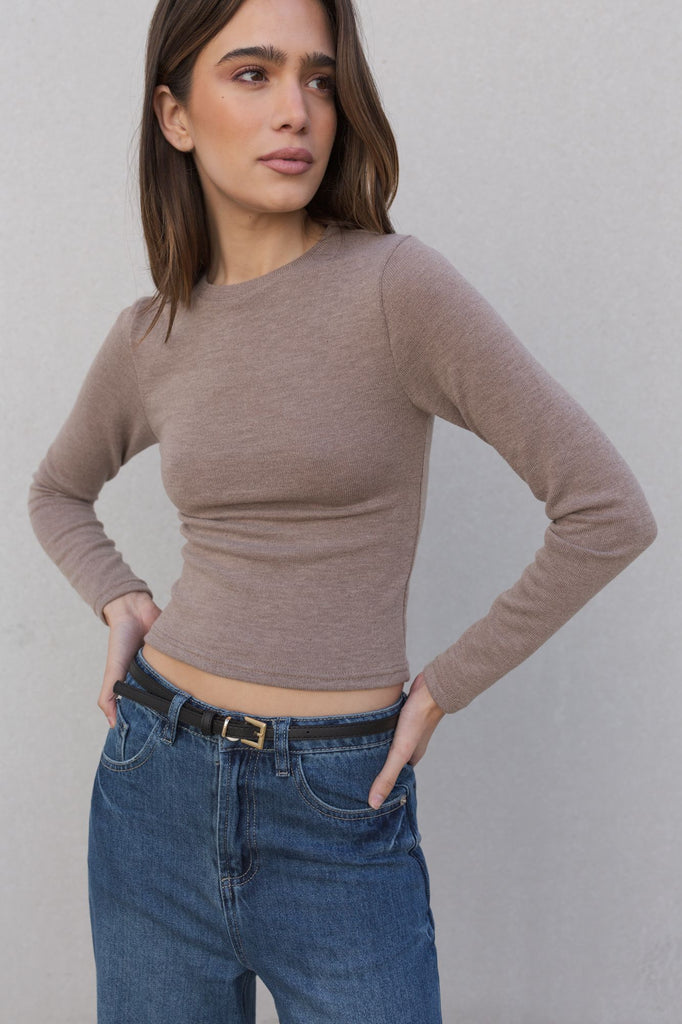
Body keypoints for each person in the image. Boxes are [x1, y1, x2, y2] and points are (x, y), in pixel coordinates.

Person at [26, 0, 657, 1021]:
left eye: (319, 79)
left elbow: (606, 510)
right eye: (253, 74)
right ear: (175, 115)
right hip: (153, 779)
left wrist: (443, 685)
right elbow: (56, 492)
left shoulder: (395, 289)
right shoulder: (153, 333)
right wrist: (119, 597)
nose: (298, 110)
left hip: (337, 804)